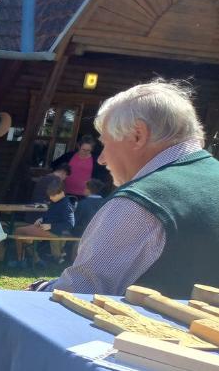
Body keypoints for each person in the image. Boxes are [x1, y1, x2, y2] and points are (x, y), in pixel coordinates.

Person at [32, 80, 219, 298]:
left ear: (138, 135)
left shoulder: (139, 202)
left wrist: (41, 288)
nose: (101, 159)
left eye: (105, 144)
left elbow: (75, 296)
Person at [11, 181, 74, 268]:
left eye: (53, 195)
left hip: (54, 233)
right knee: (22, 235)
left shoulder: (66, 205)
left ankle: (24, 261)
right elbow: (49, 215)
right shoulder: (56, 202)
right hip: (47, 230)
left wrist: (50, 226)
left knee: (19, 231)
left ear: (62, 193)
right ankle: (33, 261)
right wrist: (41, 219)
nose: (51, 198)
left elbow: (70, 223)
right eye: (50, 195)